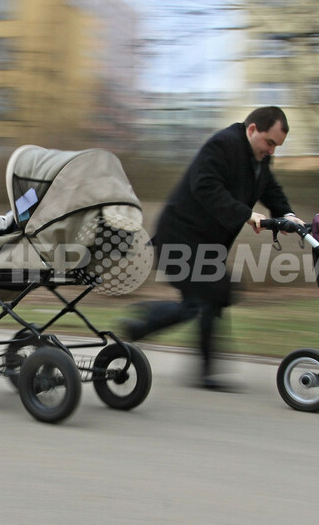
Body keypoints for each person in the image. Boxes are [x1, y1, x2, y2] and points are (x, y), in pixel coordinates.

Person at [122, 106, 305, 391]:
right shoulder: (224, 144)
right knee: (208, 297)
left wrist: (287, 216)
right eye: (270, 143)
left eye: (277, 147)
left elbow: (269, 189)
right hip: (179, 237)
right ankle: (147, 325)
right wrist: (246, 214)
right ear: (253, 129)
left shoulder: (258, 158)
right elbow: (205, 186)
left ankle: (144, 327)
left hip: (204, 245)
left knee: (213, 297)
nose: (272, 151)